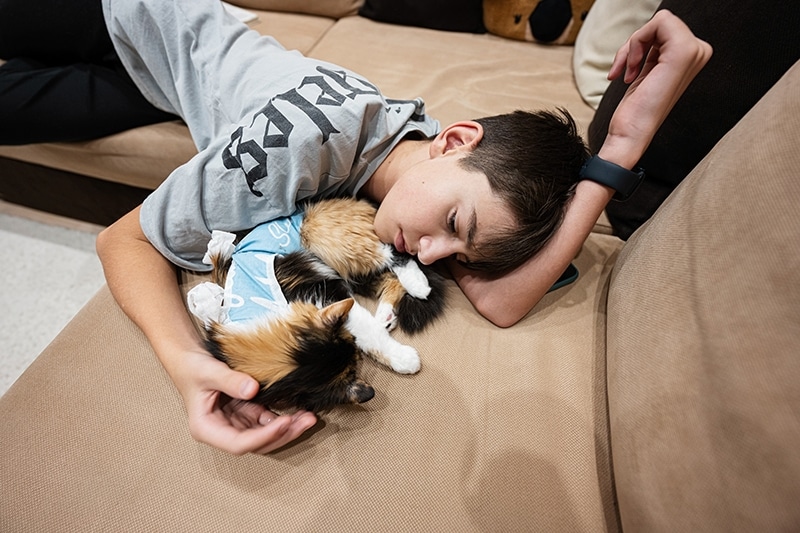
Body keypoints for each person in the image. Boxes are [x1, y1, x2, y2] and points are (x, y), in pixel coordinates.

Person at [0, 0, 712, 454]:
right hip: (121, 14)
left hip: (157, 74)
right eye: (455, 225)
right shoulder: (301, 147)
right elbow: (122, 238)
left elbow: (501, 299)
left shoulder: (420, 168)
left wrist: (623, 144)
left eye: (459, 250)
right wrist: (192, 367)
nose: (432, 256)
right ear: (456, 139)